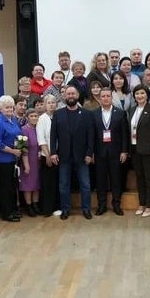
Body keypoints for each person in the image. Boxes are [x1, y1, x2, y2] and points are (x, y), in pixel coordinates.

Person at [50, 86, 95, 220]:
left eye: (73, 93)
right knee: (64, 185)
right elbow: (53, 135)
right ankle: (65, 209)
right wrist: (53, 152)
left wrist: (89, 153)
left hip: (82, 156)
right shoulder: (58, 114)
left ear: (77, 95)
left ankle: (86, 209)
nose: (70, 96)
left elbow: (91, 136)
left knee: (85, 185)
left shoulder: (87, 114)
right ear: (64, 96)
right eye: (68, 93)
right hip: (63, 156)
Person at [92, 88, 129, 215]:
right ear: (100, 98)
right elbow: (91, 135)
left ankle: (116, 204)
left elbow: (125, 134)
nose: (106, 98)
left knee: (116, 179)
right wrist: (91, 152)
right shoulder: (94, 114)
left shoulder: (120, 113)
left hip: (116, 152)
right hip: (99, 152)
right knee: (100, 180)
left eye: (108, 96)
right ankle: (101, 205)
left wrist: (124, 151)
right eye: (103, 96)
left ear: (111, 98)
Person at [127, 84, 150, 217]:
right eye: (137, 94)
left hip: (148, 150)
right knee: (139, 178)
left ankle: (149, 205)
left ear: (147, 95)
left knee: (149, 179)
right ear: (134, 96)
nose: (139, 96)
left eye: (142, 93)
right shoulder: (131, 110)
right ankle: (141, 204)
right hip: (134, 149)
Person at [0, 95, 24, 222]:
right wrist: (13, 151)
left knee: (12, 187)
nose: (10, 109)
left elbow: (20, 135)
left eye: (11, 107)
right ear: (1, 109)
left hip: (14, 159)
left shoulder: (14, 120)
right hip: (3, 160)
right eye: (7, 107)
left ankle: (13, 210)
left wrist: (20, 148)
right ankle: (6, 213)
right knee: (5, 188)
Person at [36, 95, 60, 217]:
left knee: (57, 182)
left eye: (53, 102)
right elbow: (41, 140)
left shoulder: (58, 117)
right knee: (48, 183)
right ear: (45, 105)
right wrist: (48, 155)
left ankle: (57, 206)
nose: (51, 105)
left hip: (59, 154)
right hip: (47, 155)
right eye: (49, 103)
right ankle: (47, 209)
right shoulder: (42, 119)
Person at [19, 109, 41, 216]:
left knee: (37, 183)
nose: (34, 118)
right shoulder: (23, 130)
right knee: (28, 184)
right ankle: (28, 205)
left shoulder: (39, 128)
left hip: (38, 161)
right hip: (28, 160)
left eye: (36, 116)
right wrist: (26, 165)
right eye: (31, 116)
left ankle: (35, 204)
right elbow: (22, 148)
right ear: (27, 117)